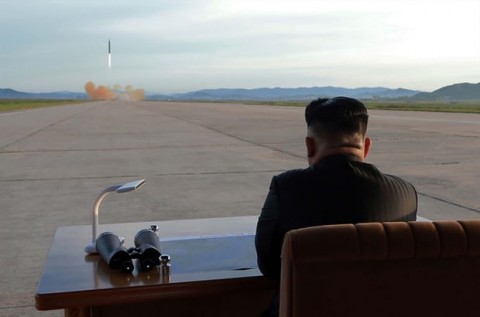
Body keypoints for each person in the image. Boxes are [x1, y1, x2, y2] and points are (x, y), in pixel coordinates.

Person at [255, 96, 417, 316]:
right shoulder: (405, 192)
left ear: (309, 145)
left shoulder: (287, 187)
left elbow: (269, 265)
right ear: (366, 146)